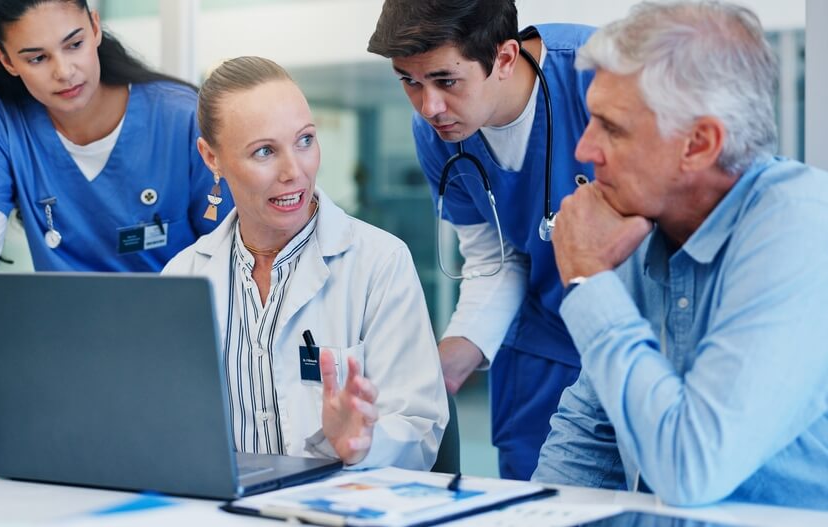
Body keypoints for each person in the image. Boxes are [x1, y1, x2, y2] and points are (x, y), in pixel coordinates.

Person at [532, 1, 828, 510]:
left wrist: (587, 279)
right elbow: (592, 434)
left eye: (612, 127)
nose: (584, 149)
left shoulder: (802, 227)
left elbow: (691, 469)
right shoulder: (640, 223)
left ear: (699, 144)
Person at [0, 0, 231, 438]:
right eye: (37, 57)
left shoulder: (181, 118)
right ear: (5, 60)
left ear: (96, 28)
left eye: (74, 44)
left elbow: (242, 260)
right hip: (70, 385)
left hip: (189, 375)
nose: (64, 71)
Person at [162, 56, 447, 469]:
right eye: (264, 152)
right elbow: (168, 428)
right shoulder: (183, 277)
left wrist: (361, 444)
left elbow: (418, 427)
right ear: (212, 158)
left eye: (305, 140)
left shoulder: (379, 263)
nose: (294, 171)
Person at [367, 0, 595, 479]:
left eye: (446, 81)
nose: (429, 107)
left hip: (641, 339)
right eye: (409, 81)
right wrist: (442, 367)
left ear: (506, 58)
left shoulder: (599, 77)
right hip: (543, 348)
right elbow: (496, 259)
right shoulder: (437, 135)